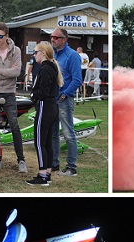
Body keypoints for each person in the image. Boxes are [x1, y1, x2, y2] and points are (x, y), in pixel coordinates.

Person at [0, 22, 27, 172]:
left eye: (0, 36)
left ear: (7, 36)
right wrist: (6, 72)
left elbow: (17, 72)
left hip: (9, 93)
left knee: (14, 124)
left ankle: (21, 160)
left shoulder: (16, 51)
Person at [26, 42, 63, 186]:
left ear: (43, 53)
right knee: (47, 142)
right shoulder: (51, 67)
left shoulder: (45, 68)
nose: (34, 55)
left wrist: (33, 95)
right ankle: (46, 173)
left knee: (40, 142)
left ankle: (42, 175)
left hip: (44, 105)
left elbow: (43, 91)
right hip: (51, 106)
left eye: (35, 52)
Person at [50, 27, 82, 177]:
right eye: (52, 37)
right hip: (53, 99)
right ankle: (54, 163)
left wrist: (65, 94)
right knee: (54, 133)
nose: (52, 40)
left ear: (64, 39)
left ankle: (71, 167)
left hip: (64, 99)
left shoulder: (73, 56)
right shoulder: (53, 55)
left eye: (56, 37)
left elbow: (77, 80)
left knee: (68, 133)